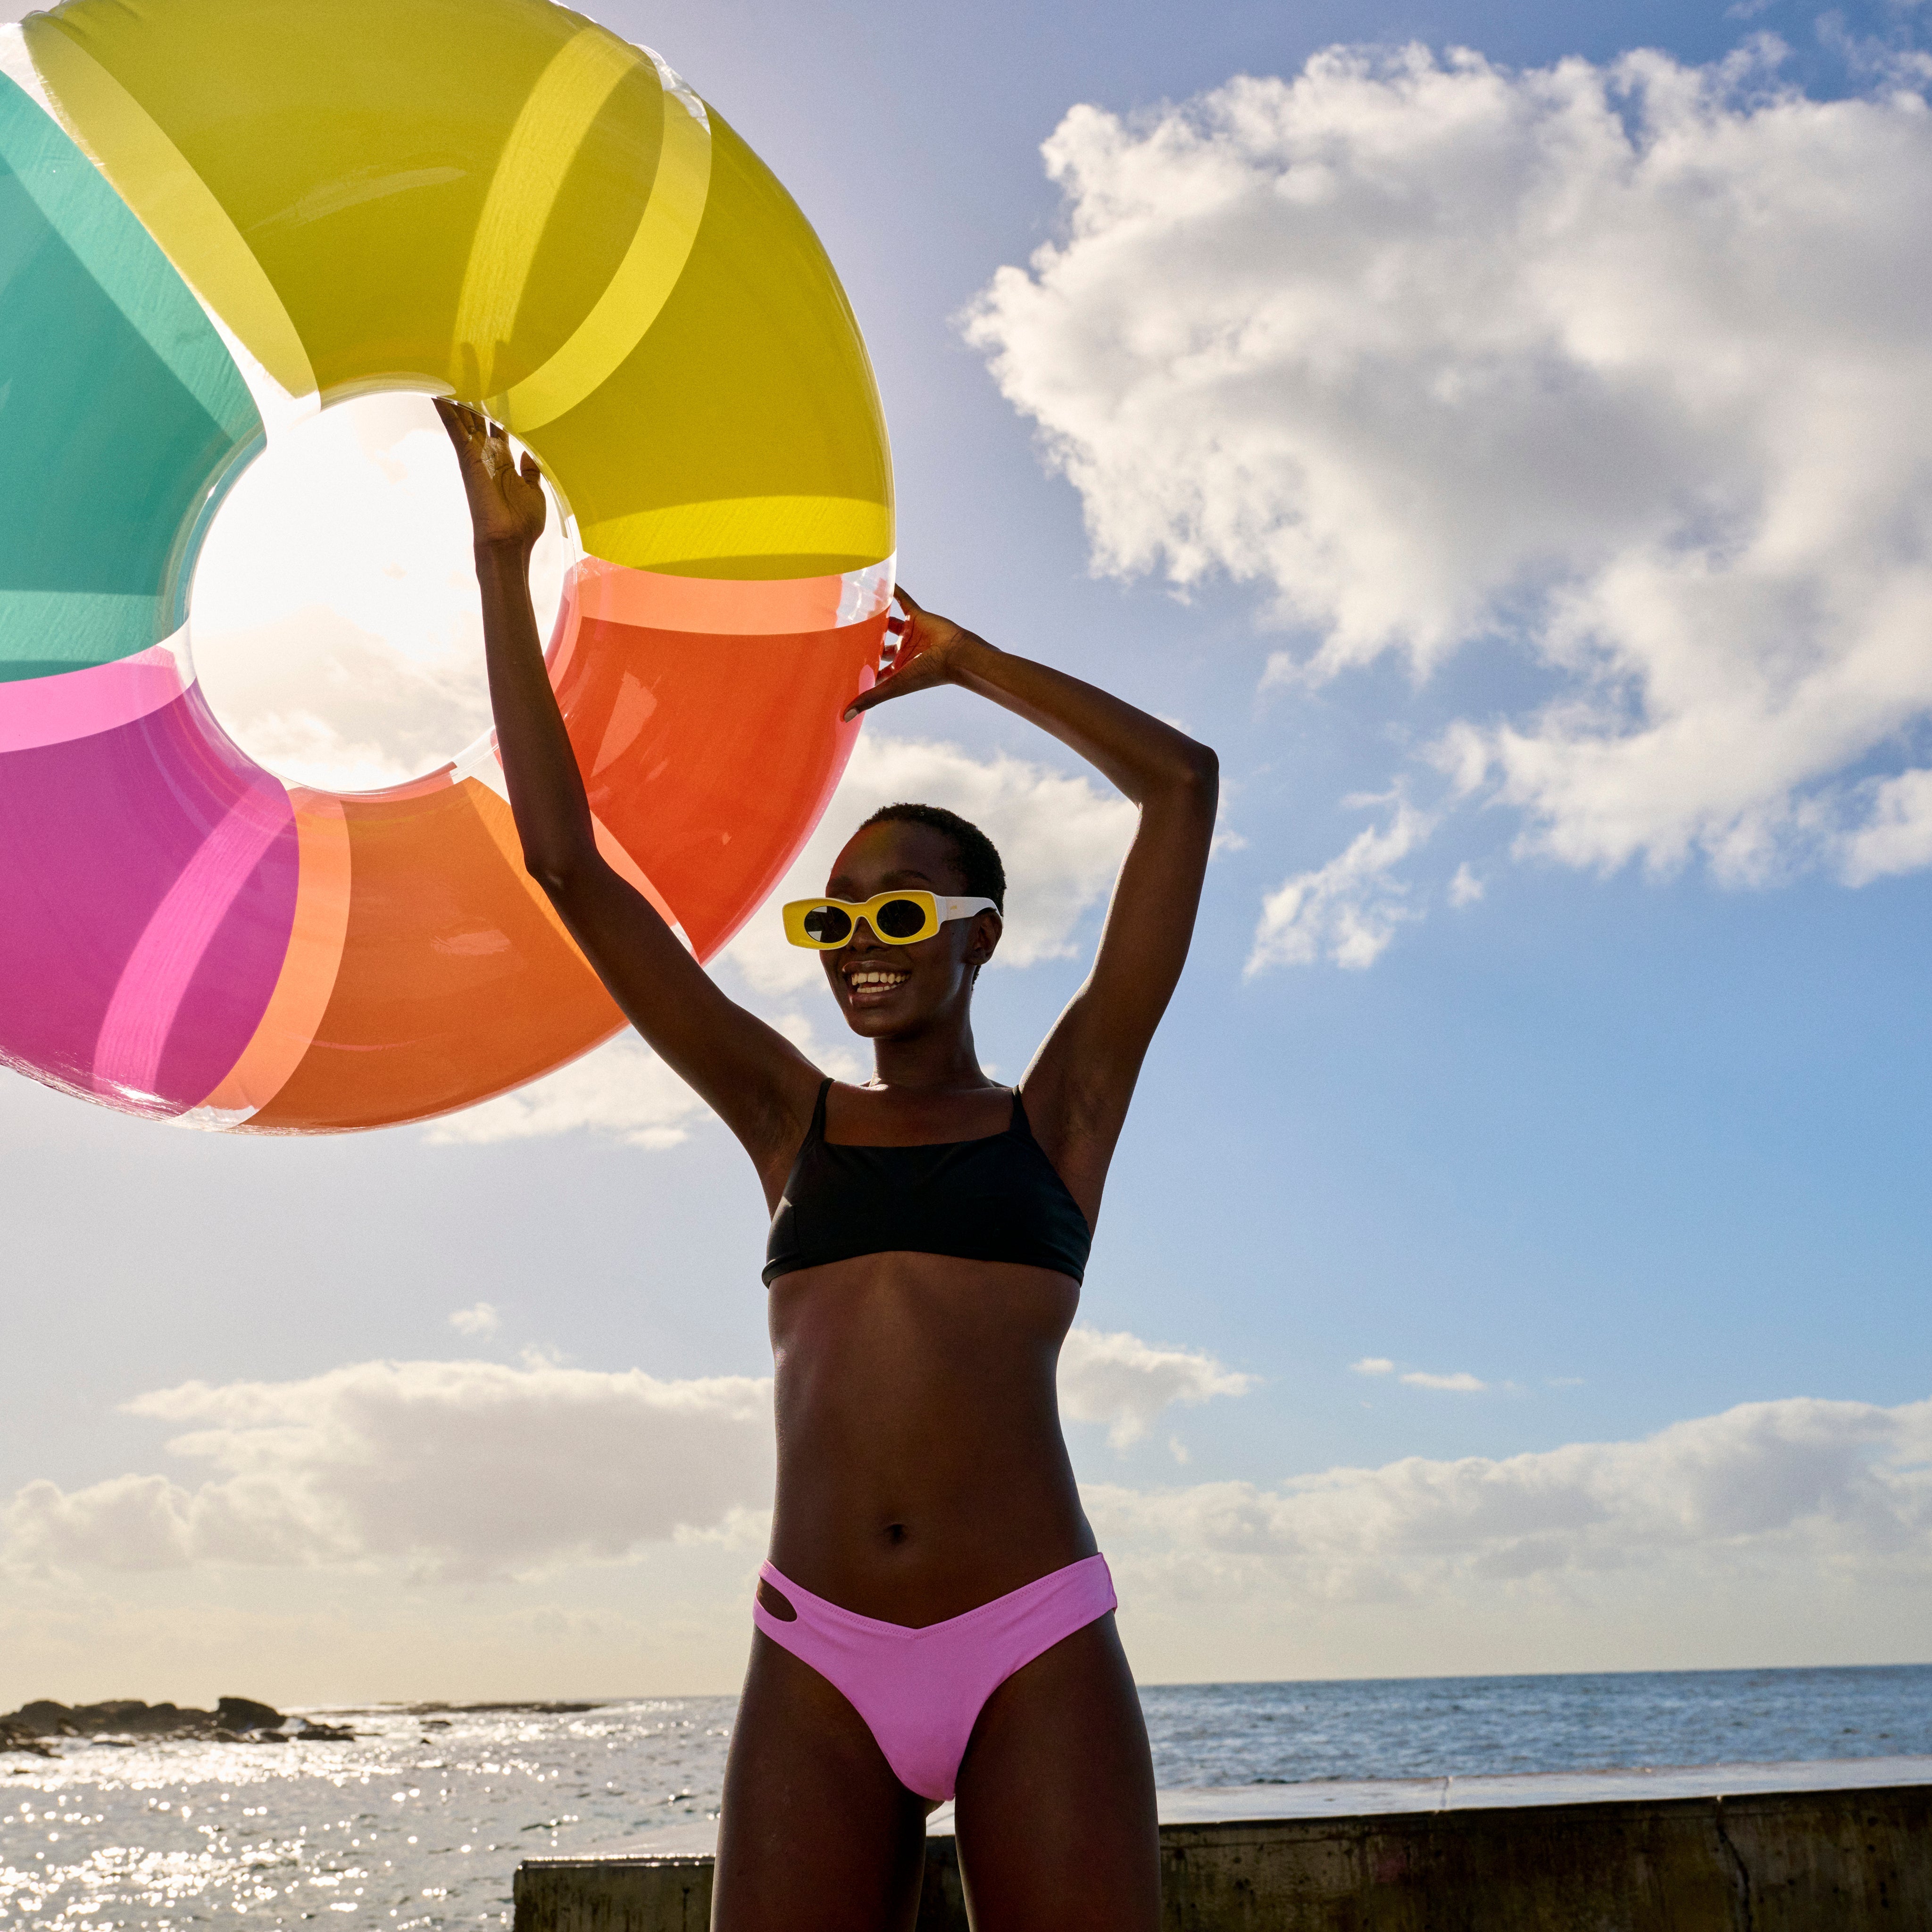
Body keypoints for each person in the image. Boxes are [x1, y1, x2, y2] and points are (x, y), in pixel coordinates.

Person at [436, 401, 1217, 1932]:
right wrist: (500, 569)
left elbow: (1181, 786)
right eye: (836, 918)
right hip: (818, 1653)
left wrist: (971, 664)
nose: (863, 941)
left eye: (902, 912)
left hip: (1033, 1639)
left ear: (981, 935)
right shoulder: (784, 1116)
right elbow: (567, 866)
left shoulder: (1062, 1115)